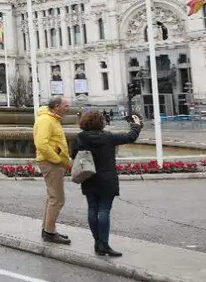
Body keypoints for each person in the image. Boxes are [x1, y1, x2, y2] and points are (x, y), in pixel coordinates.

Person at [71, 110, 142, 257]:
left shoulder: (80, 138)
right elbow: (130, 137)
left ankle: (97, 242)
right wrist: (136, 125)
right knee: (104, 210)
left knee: (92, 209)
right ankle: (104, 244)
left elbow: (73, 155)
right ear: (101, 122)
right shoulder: (108, 137)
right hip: (107, 179)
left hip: (88, 177)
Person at [34, 96, 72, 244]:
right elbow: (41, 144)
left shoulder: (52, 119)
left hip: (52, 162)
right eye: (66, 106)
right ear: (57, 106)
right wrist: (57, 159)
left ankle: (47, 229)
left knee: (53, 198)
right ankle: (50, 232)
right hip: (51, 163)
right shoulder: (46, 120)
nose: (68, 108)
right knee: (58, 199)